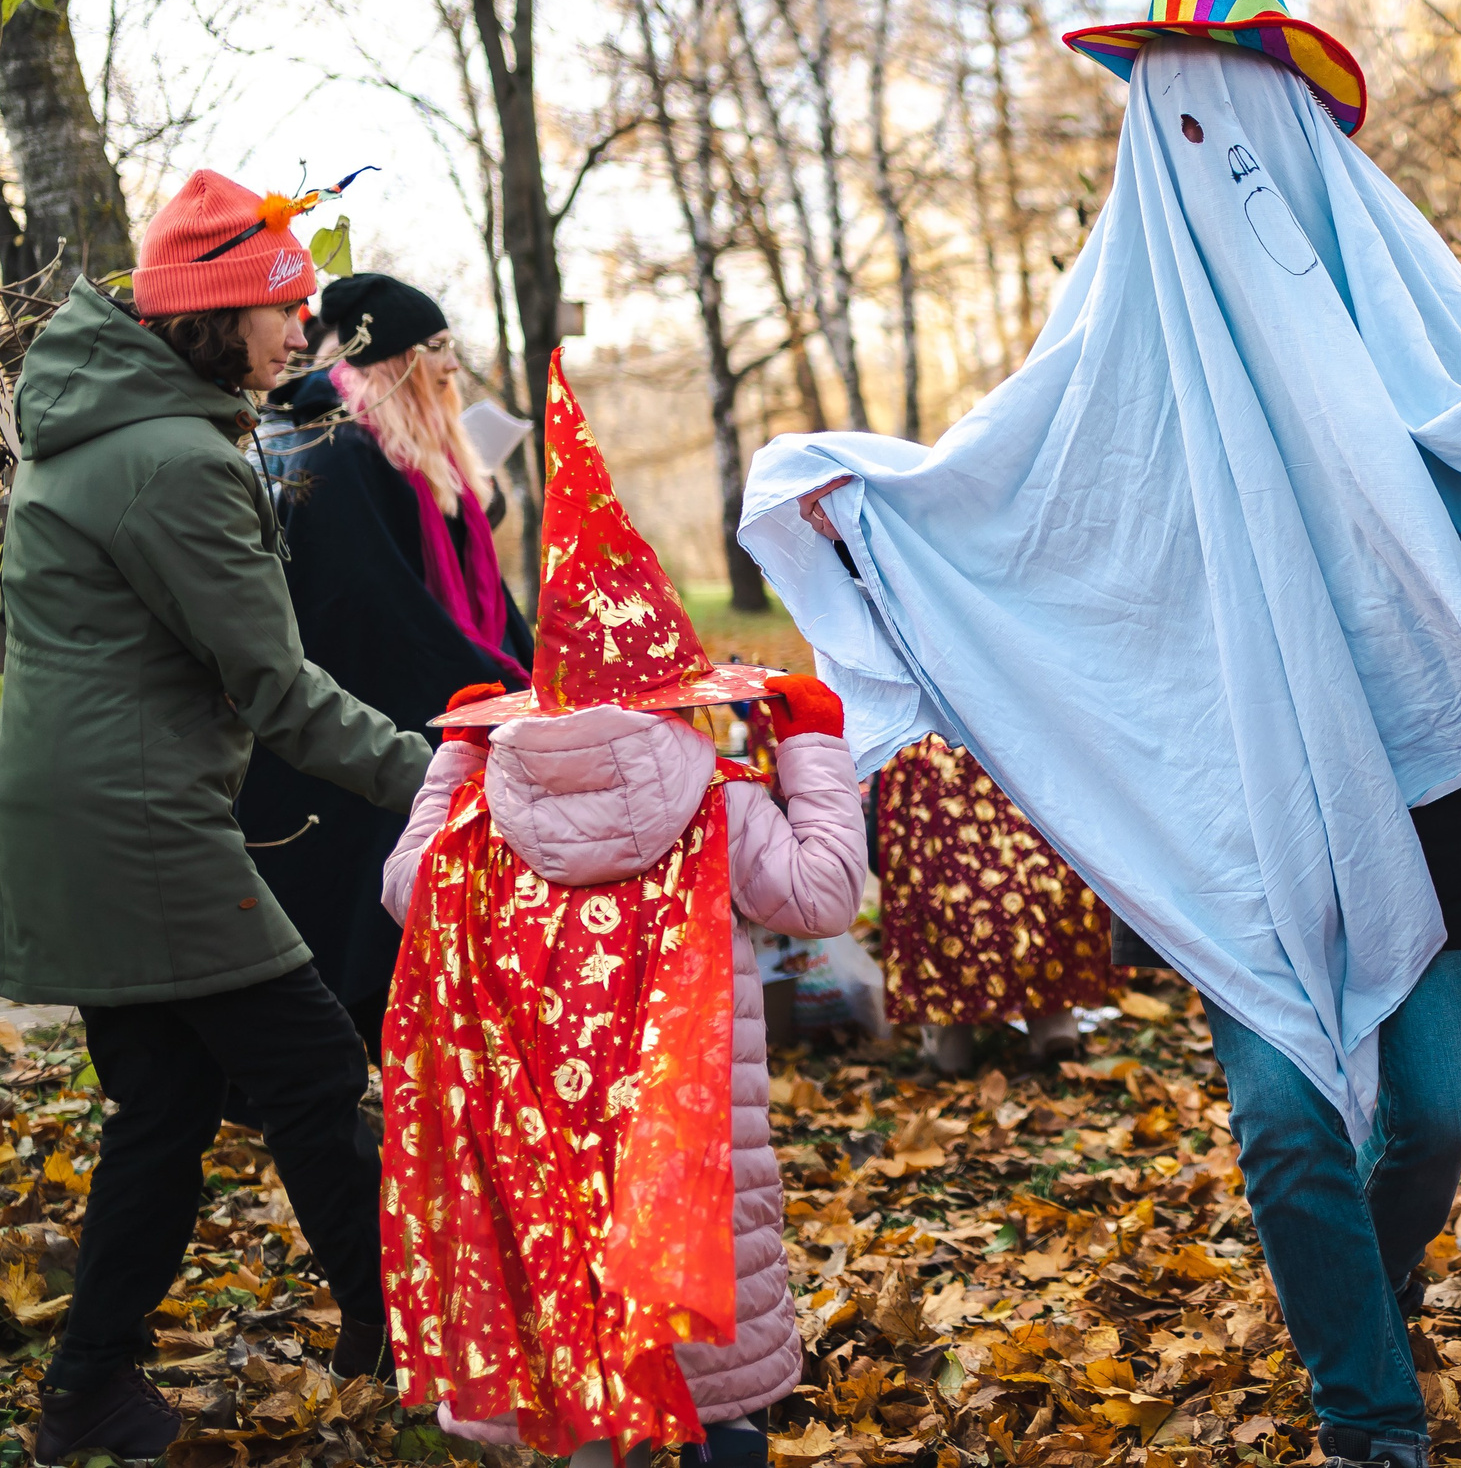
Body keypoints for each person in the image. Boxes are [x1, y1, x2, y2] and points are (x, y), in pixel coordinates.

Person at [741, 0, 1461, 1468]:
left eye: (1230, 109)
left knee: (1432, 1109)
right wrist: (868, 517)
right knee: (1289, 1121)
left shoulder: (1387, 311)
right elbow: (1017, 501)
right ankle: (1369, 1417)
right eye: (1171, 113)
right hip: (1233, 802)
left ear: (1291, 128)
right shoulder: (1110, 351)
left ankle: (1369, 1284)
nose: (1200, 143)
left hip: (1412, 793)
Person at [0, 171, 434, 1462]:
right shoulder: (176, 460)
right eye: (284, 304)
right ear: (218, 313)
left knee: (171, 1099)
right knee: (309, 1065)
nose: (305, 330)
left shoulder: (120, 425)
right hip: (138, 822)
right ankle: (400, 1329)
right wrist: (440, 774)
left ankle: (90, 1389)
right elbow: (281, 692)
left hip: (91, 804)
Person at [377, 354, 867, 1468]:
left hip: (543, 1161)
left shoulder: (484, 815)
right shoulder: (715, 802)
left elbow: (408, 894)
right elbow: (826, 892)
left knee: (578, 1370)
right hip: (687, 1176)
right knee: (710, 1404)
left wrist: (454, 763)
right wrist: (811, 743)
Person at [236, 271, 533, 1052]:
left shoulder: (392, 454)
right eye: (432, 346)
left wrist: (540, 677)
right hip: (358, 747)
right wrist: (506, 691)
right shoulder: (333, 453)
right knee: (363, 935)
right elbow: (381, 610)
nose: (449, 366)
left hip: (400, 725)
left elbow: (481, 599)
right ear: (391, 360)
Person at [869, 734, 1119, 1075]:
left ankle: (948, 1051)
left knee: (939, 908)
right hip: (1012, 735)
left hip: (933, 753)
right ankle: (1054, 1031)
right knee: (1039, 898)